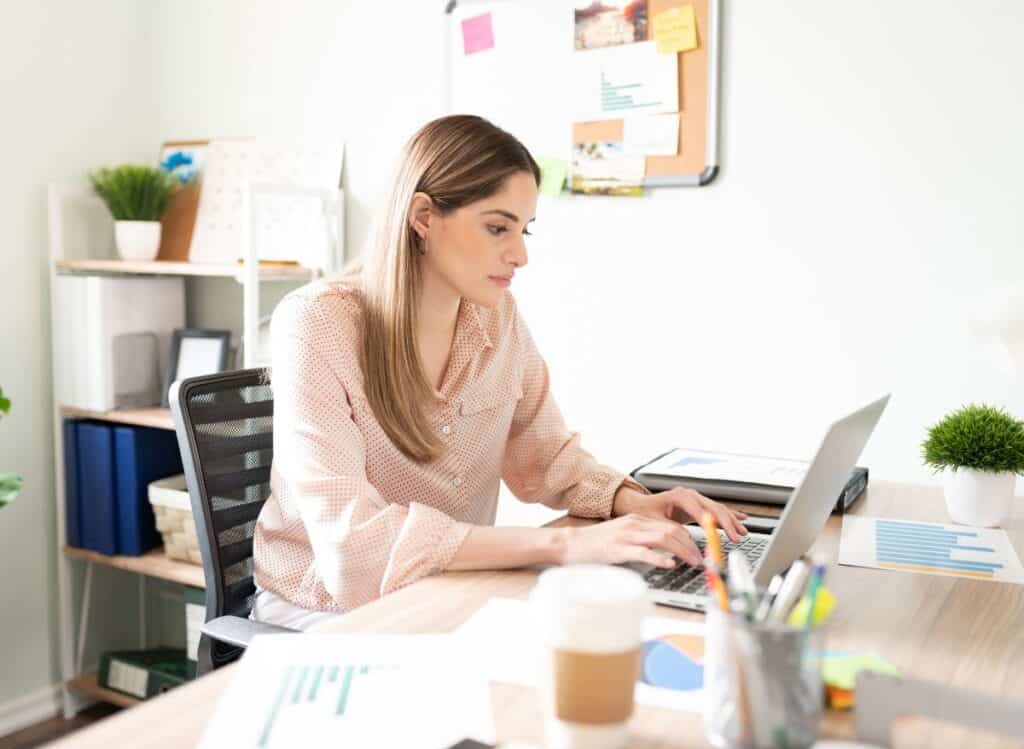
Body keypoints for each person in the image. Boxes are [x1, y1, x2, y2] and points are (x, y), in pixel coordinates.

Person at [252, 115, 747, 629]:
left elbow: (545, 455)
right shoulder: (316, 323)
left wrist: (634, 504)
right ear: (423, 215)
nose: (521, 254)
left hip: (449, 590)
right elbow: (352, 551)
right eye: (497, 227)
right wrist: (566, 542)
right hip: (323, 611)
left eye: (523, 229)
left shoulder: (496, 315)